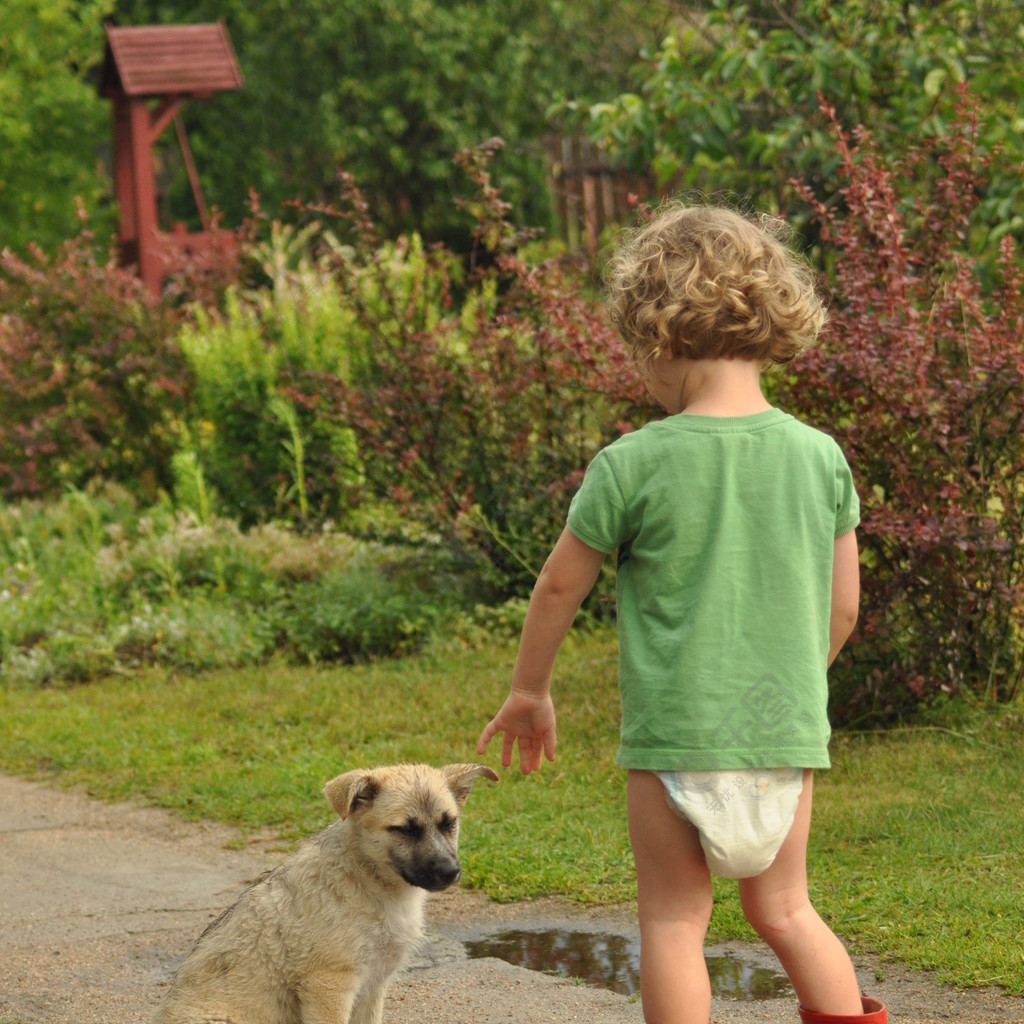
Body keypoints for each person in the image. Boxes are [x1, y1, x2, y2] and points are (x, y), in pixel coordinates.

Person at [476, 203, 887, 1024]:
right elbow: (843, 606)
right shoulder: (820, 457)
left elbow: (559, 587)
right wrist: (794, 686)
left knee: (672, 923)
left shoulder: (632, 463)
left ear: (658, 338)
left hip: (675, 737)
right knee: (787, 913)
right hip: (783, 730)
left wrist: (531, 690)